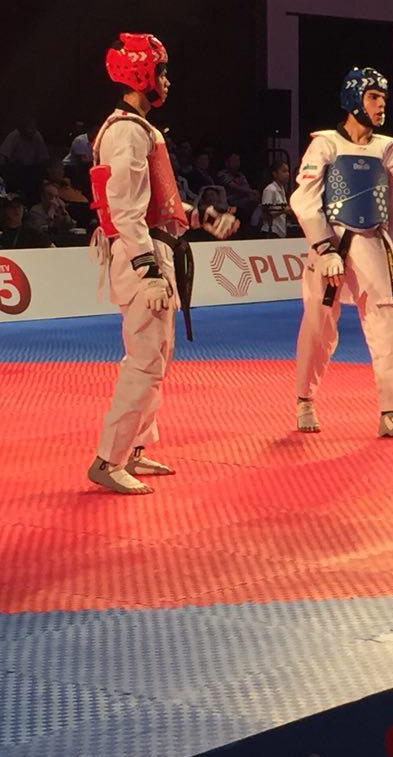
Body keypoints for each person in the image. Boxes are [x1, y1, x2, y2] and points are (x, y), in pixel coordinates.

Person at [86, 32, 238, 495]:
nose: (167, 81)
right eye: (162, 71)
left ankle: (133, 448)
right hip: (143, 257)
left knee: (157, 357)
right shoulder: (127, 132)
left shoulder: (140, 130)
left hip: (153, 249)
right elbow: (123, 207)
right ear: (141, 74)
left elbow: (157, 202)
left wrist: (200, 217)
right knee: (145, 359)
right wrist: (147, 268)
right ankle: (108, 459)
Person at [289, 66, 393, 440]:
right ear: (353, 99)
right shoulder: (325, 144)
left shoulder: (387, 148)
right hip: (331, 243)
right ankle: (304, 399)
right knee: (318, 326)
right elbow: (304, 199)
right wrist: (323, 247)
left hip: (373, 242)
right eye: (373, 97)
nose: (382, 105)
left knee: (388, 324)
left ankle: (391, 413)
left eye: (384, 98)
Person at [257, 160, 292, 237]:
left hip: (280, 231)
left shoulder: (282, 189)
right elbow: (265, 215)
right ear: (275, 174)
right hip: (271, 231)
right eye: (284, 171)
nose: (287, 174)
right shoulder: (270, 189)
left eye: (288, 171)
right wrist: (283, 211)